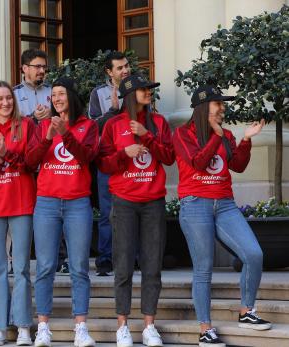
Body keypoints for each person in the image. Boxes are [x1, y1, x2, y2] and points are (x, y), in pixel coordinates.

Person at [174, 85, 270, 347]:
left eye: (223, 104)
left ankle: (246, 311)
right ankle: (205, 328)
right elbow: (197, 162)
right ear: (204, 108)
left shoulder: (226, 133)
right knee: (203, 268)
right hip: (195, 205)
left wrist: (247, 139)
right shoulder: (183, 134)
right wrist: (217, 137)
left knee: (253, 254)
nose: (223, 108)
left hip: (225, 205)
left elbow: (237, 164)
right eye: (218, 104)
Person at [97, 74, 174, 347]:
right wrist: (124, 153)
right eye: (144, 90)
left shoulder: (160, 123)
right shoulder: (112, 125)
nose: (149, 93)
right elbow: (103, 164)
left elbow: (169, 157)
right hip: (124, 202)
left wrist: (147, 137)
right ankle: (122, 327)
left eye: (150, 89)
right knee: (123, 265)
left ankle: (149, 326)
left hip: (153, 200)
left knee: (153, 265)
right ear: (131, 94)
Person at [25, 78, 98, 347]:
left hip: (78, 202)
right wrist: (47, 137)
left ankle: (81, 327)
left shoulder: (88, 126)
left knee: (79, 267)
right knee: (45, 267)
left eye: (61, 94)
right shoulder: (43, 125)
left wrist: (65, 133)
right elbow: (30, 161)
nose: (56, 98)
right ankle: (43, 326)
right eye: (53, 95)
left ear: (71, 97)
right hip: (46, 202)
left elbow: (87, 158)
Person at [0, 81, 37, 346]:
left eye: (9, 99)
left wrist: (7, 154)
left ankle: (23, 325)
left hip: (22, 201)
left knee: (21, 267)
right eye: (0, 99)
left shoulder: (26, 126)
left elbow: (30, 164)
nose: (5, 103)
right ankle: (0, 327)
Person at [14, 49, 69, 275]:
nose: (42, 70)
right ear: (25, 68)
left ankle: (61, 258)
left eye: (44, 67)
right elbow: (9, 123)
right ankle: (17, 257)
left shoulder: (53, 92)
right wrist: (31, 119)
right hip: (26, 160)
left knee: (59, 209)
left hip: (53, 161)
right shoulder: (14, 94)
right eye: (37, 66)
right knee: (23, 211)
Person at [87, 51, 131, 276]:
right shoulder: (98, 93)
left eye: (126, 66)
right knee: (108, 211)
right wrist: (114, 110)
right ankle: (105, 258)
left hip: (133, 160)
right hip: (107, 159)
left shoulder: (137, 87)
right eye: (120, 68)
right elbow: (93, 126)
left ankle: (131, 257)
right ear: (109, 71)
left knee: (132, 210)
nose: (125, 70)